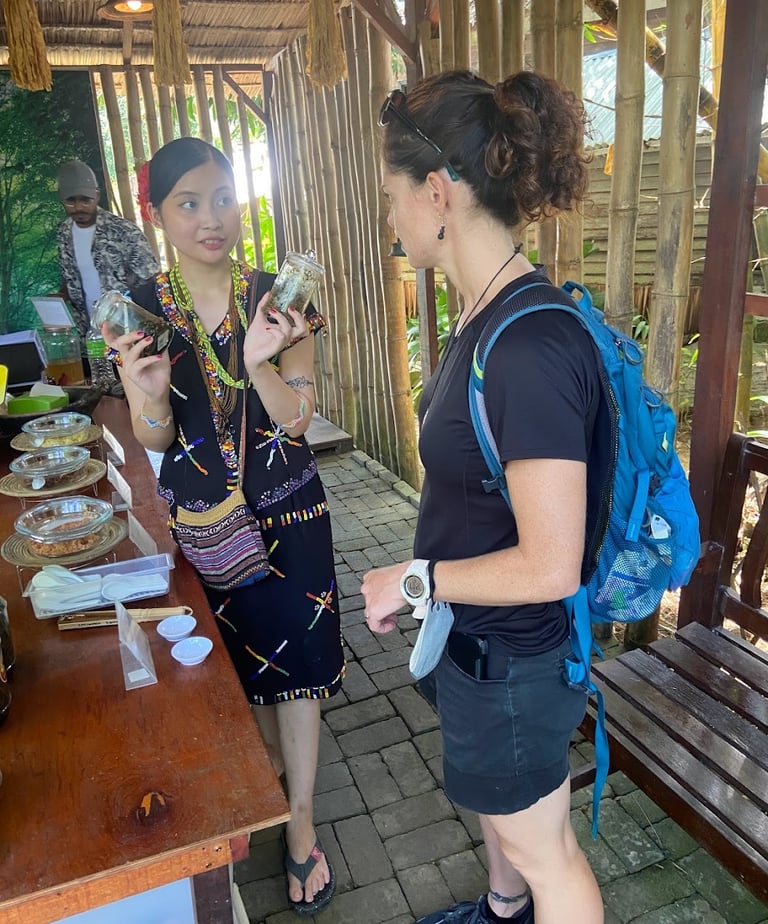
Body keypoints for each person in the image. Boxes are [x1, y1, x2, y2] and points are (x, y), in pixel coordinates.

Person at [361, 71, 607, 924]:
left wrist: (414, 580)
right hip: (479, 644)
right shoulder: (485, 314)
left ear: (436, 192)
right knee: (505, 824)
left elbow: (550, 565)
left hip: (516, 660)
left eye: (391, 196)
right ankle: (503, 911)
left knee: (550, 857)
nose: (391, 218)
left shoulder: (528, 347)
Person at [103, 137, 344, 916]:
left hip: (290, 515)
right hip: (206, 525)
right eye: (189, 203)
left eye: (223, 197)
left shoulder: (280, 295)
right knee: (239, 671)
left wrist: (261, 360)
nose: (212, 218)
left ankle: (300, 822)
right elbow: (154, 438)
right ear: (157, 214)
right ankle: (266, 781)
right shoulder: (142, 311)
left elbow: (299, 420)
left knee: (297, 673)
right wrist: (147, 396)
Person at [56, 159, 159, 339]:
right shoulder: (64, 233)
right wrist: (60, 298)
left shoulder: (124, 232)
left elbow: (153, 283)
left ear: (97, 195)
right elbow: (72, 279)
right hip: (88, 337)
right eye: (71, 201)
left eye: (86, 200)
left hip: (129, 334)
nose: (79, 207)